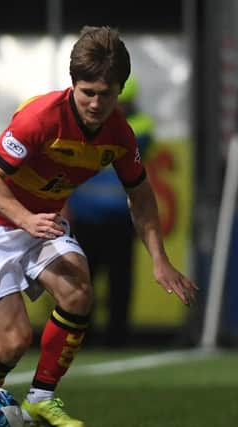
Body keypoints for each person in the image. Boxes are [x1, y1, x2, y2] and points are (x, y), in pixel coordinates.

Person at [0, 26, 197, 427]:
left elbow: (142, 196)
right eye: (88, 92)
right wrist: (26, 218)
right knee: (12, 342)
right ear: (73, 85)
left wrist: (160, 260)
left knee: (79, 288)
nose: (97, 103)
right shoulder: (42, 118)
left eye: (107, 93)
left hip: (41, 224)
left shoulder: (119, 133)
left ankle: (41, 399)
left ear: (120, 90)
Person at [65, 75, 155, 347]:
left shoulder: (137, 129)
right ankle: (80, 337)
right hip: (85, 216)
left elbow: (133, 140)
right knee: (83, 281)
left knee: (119, 283)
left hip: (119, 218)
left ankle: (117, 337)